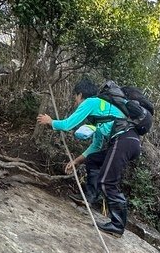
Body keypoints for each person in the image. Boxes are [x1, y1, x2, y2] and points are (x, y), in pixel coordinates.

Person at [37, 78, 141, 237]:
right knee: (94, 160)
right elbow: (96, 146)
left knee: (108, 181)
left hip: (124, 141)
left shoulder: (91, 102)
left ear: (80, 95)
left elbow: (67, 125)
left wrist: (50, 122)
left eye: (75, 97)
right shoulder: (101, 114)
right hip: (129, 142)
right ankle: (90, 196)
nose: (75, 100)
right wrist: (76, 161)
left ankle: (117, 225)